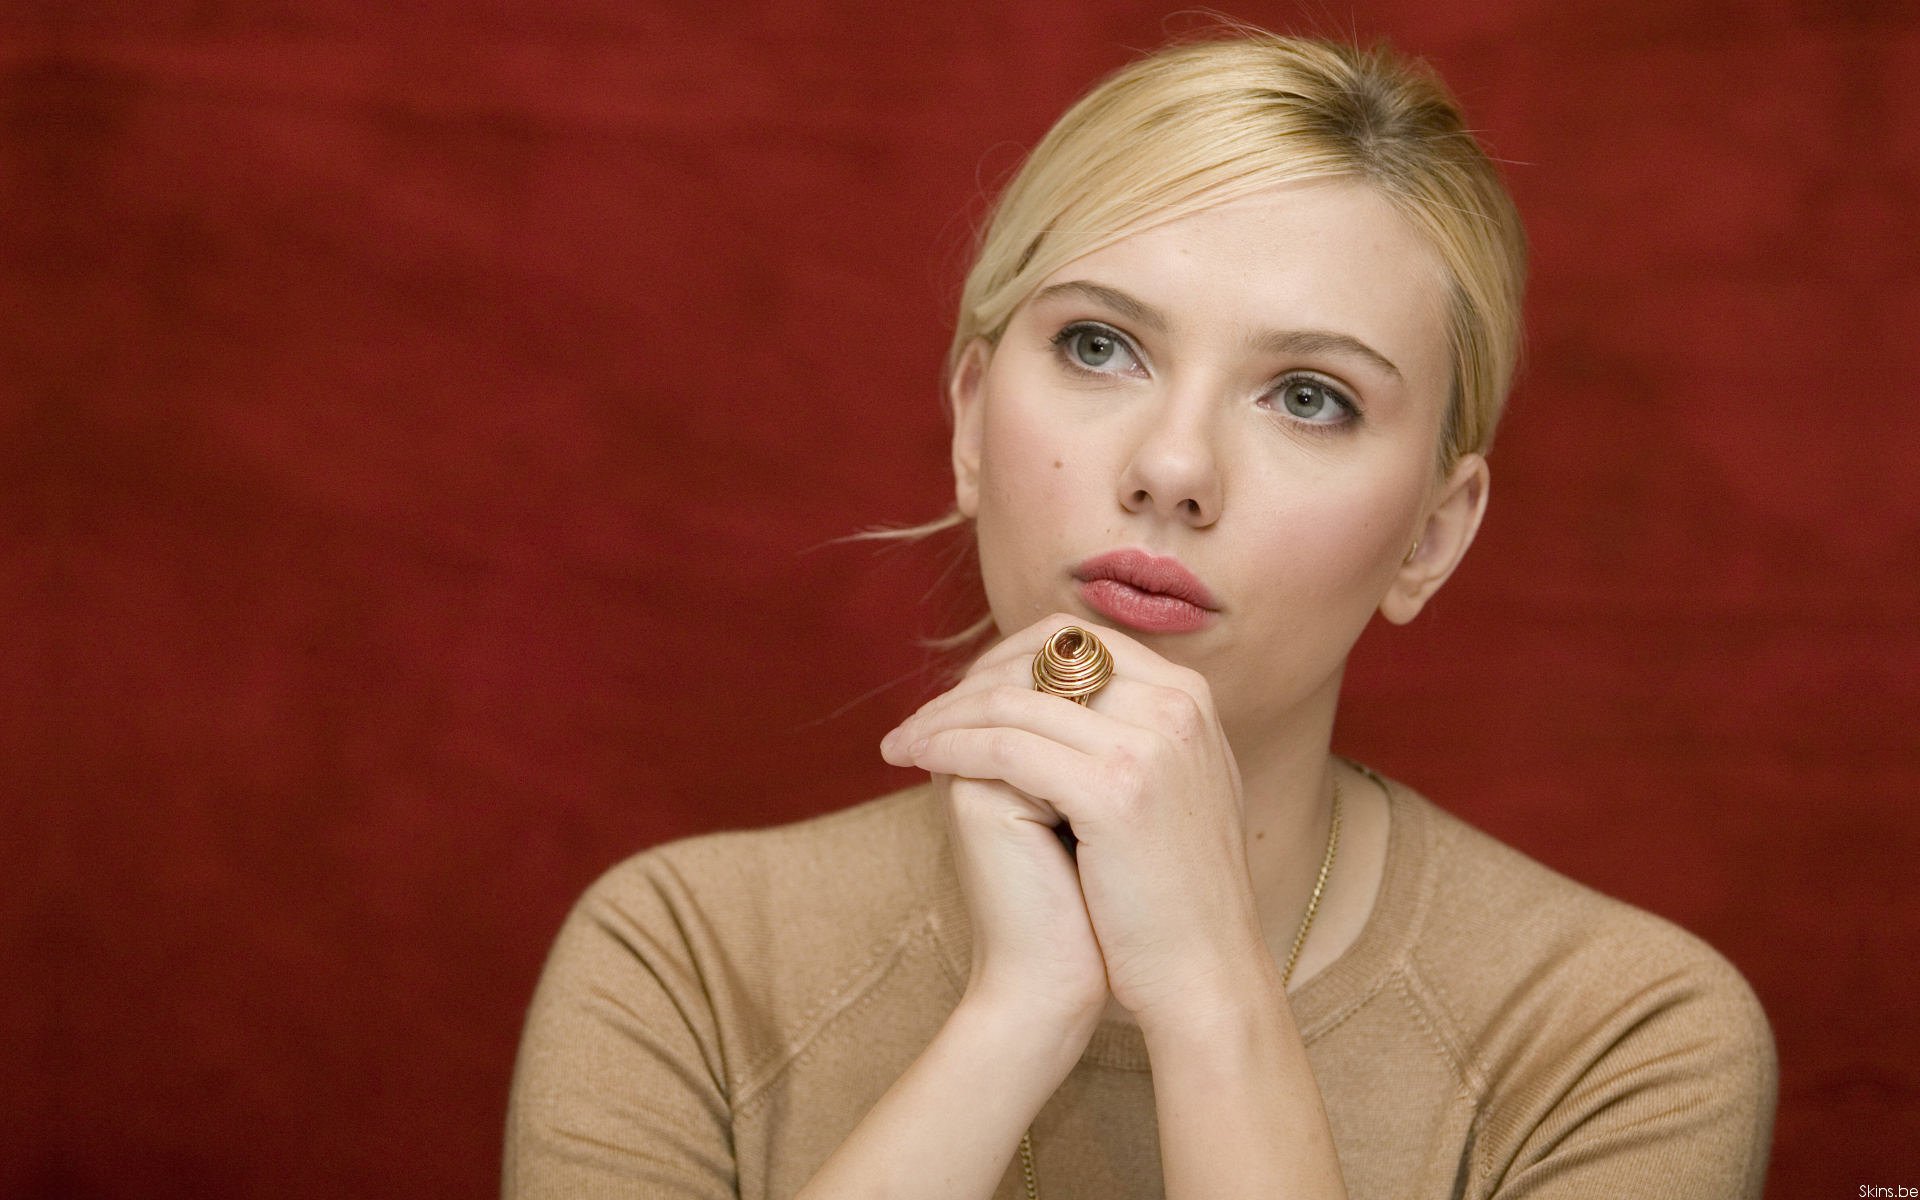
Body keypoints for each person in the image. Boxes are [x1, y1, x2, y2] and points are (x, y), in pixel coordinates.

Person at [502, 27, 1777, 1200]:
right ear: (967, 420)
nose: (1172, 467)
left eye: (1310, 397)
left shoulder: (1620, 1036)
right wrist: (1020, 1015)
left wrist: (1209, 989)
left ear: (1430, 538)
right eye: (1102, 346)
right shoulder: (684, 958)